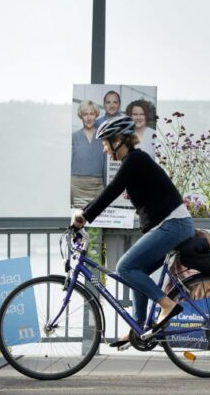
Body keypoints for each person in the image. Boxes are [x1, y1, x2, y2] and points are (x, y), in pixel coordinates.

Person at [70, 115, 195, 349]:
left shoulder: (135, 160)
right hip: (171, 225)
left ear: (118, 140)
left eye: (106, 144)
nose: (106, 150)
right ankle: (140, 326)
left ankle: (167, 305)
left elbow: (111, 191)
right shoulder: (135, 162)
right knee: (136, 271)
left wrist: (84, 217)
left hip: (173, 225)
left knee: (125, 267)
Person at [70, 100, 106, 207]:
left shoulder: (104, 137)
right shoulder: (73, 137)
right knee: (79, 219)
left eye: (91, 114)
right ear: (81, 116)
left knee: (96, 220)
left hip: (98, 187)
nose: (88, 118)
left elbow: (106, 165)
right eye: (85, 114)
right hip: (77, 186)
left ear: (96, 115)